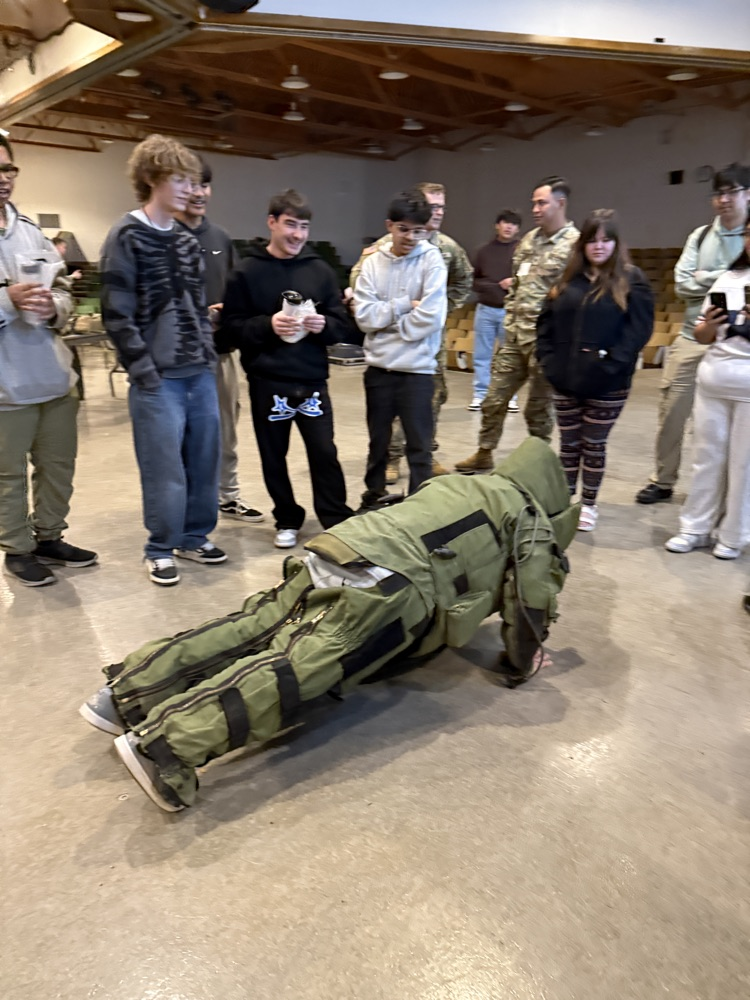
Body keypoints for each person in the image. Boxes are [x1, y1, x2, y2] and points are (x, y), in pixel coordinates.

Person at [78, 436, 579, 812]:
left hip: (345, 543)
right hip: (391, 584)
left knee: (254, 625)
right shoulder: (530, 514)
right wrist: (522, 659)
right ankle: (167, 748)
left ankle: (128, 693)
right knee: (296, 669)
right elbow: (533, 597)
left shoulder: (466, 481)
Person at [100, 134, 223, 587]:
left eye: (193, 181)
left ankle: (194, 536)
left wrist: (206, 345)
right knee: (164, 467)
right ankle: (159, 546)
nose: (191, 190)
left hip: (199, 373)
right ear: (152, 178)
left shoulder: (189, 241)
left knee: (203, 460)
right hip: (158, 380)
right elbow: (116, 311)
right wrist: (144, 370)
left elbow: (193, 304)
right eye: (180, 180)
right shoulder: (126, 235)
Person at [219, 189, 355, 550]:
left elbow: (343, 326)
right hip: (268, 381)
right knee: (273, 455)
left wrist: (323, 325)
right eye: (290, 224)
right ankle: (287, 518)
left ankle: (336, 517)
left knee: (324, 452)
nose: (297, 234)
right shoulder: (246, 273)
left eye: (304, 226)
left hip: (312, 380)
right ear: (272, 223)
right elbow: (230, 328)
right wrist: (268, 326)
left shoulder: (320, 271)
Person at [0, 135, 97, 587]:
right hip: (5, 386)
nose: (3, 179)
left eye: (8, 169)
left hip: (52, 376)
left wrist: (53, 308)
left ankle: (49, 537)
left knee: (59, 466)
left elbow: (63, 292)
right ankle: (17, 549)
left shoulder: (31, 231)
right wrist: (7, 301)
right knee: (9, 475)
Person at [636, 163, 749, 504]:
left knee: (729, 427)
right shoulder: (700, 236)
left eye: (732, 192)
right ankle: (663, 478)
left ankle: (729, 491)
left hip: (738, 348)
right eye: (718, 193)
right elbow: (682, 285)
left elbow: (709, 282)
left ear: (748, 195)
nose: (724, 200)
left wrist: (706, 276)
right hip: (691, 337)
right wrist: (722, 278)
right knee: (671, 413)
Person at [536, 210, 654, 531]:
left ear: (616, 244)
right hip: (566, 379)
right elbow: (544, 326)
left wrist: (612, 364)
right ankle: (564, 499)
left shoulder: (632, 280)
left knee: (594, 443)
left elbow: (638, 332)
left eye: (606, 240)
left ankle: (588, 503)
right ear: (583, 244)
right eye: (593, 240)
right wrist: (549, 362)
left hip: (608, 383)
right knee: (569, 444)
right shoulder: (566, 281)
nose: (599, 247)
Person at [455, 177, 579, 473]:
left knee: (537, 409)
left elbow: (580, 294)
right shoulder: (528, 240)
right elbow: (519, 283)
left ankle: (539, 463)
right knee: (494, 398)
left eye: (542, 203)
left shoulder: (575, 245)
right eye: (533, 203)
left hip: (546, 340)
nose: (535, 209)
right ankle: (484, 452)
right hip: (515, 335)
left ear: (560, 203)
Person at [350, 181, 473, 481]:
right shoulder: (372, 261)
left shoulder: (435, 258)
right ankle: (374, 500)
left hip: (418, 369)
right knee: (377, 446)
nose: (411, 237)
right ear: (390, 226)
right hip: (380, 369)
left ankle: (415, 513)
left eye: (418, 231)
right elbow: (364, 317)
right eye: (404, 229)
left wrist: (389, 323)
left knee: (420, 450)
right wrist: (405, 306)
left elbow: (431, 318)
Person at [174, 158, 265, 526]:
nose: (199, 193)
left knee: (226, 429)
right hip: (178, 359)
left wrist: (228, 313)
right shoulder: (162, 235)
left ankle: (228, 496)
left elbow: (238, 292)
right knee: (183, 437)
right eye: (191, 185)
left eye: (204, 185)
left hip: (219, 354)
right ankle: (186, 505)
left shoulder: (220, 238)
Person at [664, 214, 750, 559]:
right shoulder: (728, 278)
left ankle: (733, 534)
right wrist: (711, 325)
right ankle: (695, 528)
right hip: (713, 379)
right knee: (706, 456)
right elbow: (700, 334)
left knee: (743, 463)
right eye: (749, 233)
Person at [469, 209, 522, 412]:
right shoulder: (483, 251)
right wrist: (496, 286)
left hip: (510, 310)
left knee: (509, 356)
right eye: (505, 222)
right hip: (485, 309)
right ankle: (480, 395)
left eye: (513, 224)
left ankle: (509, 396)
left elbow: (530, 279)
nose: (509, 227)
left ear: (517, 229)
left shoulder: (522, 251)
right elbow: (473, 281)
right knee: (482, 355)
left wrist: (513, 282)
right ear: (497, 225)